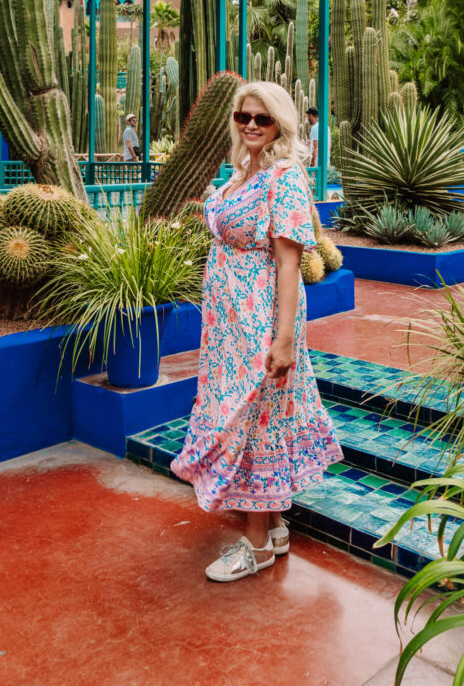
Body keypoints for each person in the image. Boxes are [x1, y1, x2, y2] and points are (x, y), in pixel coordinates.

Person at [171, 81, 342, 582]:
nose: (250, 124)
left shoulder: (285, 177)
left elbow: (290, 266)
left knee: (254, 420)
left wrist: (283, 340)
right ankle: (271, 528)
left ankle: (257, 545)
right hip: (227, 328)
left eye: (261, 119)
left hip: (260, 321)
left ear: (280, 125)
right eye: (243, 116)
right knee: (251, 416)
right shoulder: (244, 172)